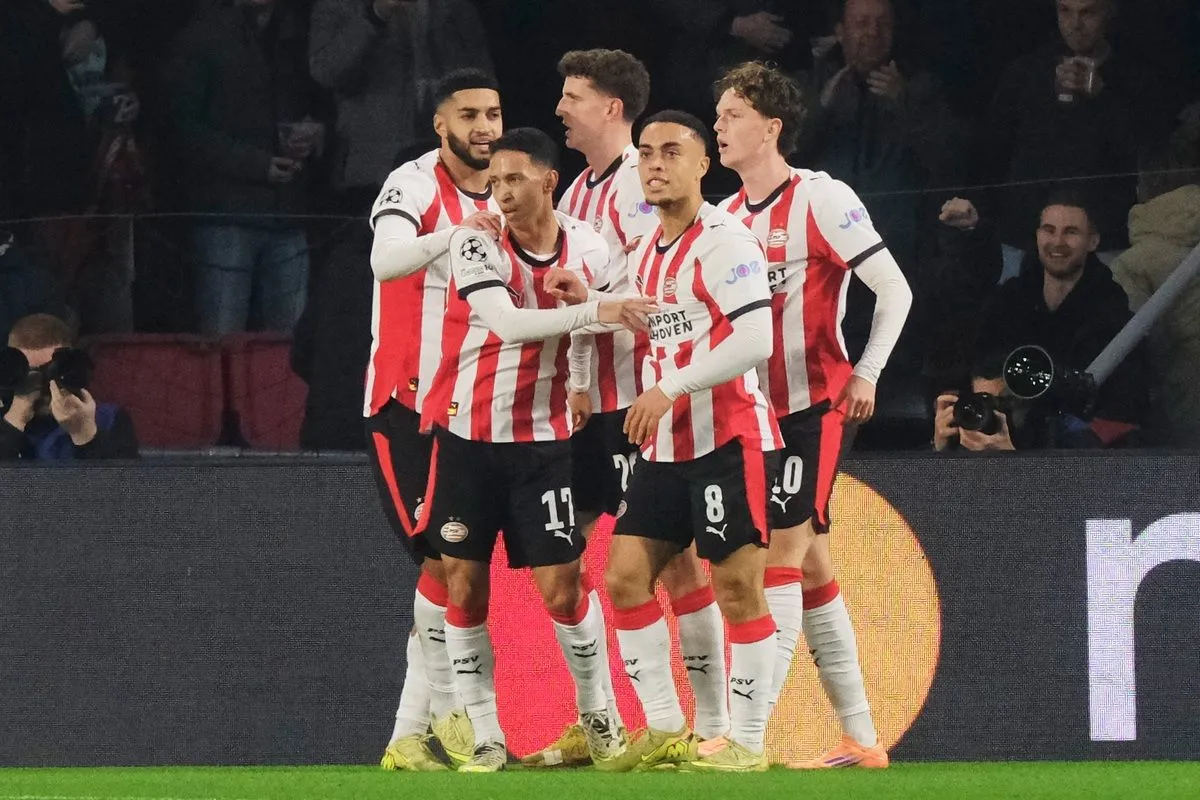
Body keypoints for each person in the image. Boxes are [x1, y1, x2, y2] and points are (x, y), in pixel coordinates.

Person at [415, 127, 654, 773]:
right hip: (468, 436)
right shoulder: (475, 240)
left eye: (514, 179)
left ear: (549, 180)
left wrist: (579, 379)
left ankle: (600, 717)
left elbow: (587, 328)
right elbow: (511, 324)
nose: (501, 193)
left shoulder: (590, 244)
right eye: (493, 182)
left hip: (543, 442)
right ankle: (487, 736)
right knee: (464, 586)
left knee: (562, 589)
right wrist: (600, 311)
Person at [522, 48, 729, 769]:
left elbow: (656, 305)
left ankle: (707, 727)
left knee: (674, 568)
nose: (559, 109)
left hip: (640, 406)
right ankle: (601, 723)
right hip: (584, 409)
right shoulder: (577, 191)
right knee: (561, 567)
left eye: (572, 96)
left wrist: (599, 311)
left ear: (612, 107)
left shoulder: (641, 193)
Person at [713, 61, 911, 769]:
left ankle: (746, 736)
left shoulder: (821, 198)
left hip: (812, 408)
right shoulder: (725, 218)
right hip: (753, 417)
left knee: (780, 557)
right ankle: (861, 737)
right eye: (718, 115)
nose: (718, 126)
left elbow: (895, 290)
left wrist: (868, 371)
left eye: (732, 115)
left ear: (771, 127)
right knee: (815, 567)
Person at [601, 110, 781, 773]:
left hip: (727, 440)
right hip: (666, 448)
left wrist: (668, 388)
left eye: (672, 152)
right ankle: (667, 726)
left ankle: (748, 743)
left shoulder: (725, 241)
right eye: (647, 152)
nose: (655, 163)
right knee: (624, 579)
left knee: (737, 591)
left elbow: (755, 339)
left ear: (703, 165)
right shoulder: (648, 249)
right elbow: (669, 330)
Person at [365, 68, 503, 772]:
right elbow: (385, 260)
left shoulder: (510, 188)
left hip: (473, 407)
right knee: (445, 561)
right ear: (439, 125)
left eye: (493, 114)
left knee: (458, 566)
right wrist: (454, 235)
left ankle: (407, 736)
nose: (484, 127)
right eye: (469, 114)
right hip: (406, 404)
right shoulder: (413, 184)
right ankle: (449, 718)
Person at [0, 314, 138, 460]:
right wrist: (13, 424)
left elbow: (125, 475)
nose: (41, 387)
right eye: (29, 375)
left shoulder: (108, 419)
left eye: (51, 373)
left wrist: (85, 434)